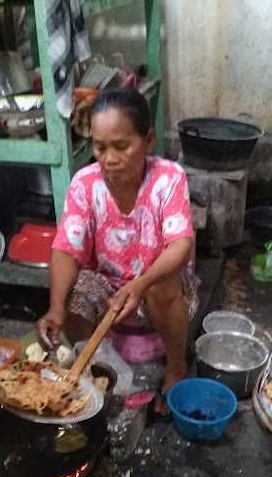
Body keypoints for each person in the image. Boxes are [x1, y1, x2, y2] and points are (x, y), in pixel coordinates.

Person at [37, 88, 199, 413]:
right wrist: (55, 309)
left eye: (122, 146)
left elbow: (181, 245)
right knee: (76, 290)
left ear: (148, 140)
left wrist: (139, 285)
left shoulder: (168, 179)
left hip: (159, 289)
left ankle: (176, 367)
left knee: (160, 283)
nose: (110, 158)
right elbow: (66, 248)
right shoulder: (85, 184)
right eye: (100, 147)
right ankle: (98, 365)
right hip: (110, 292)